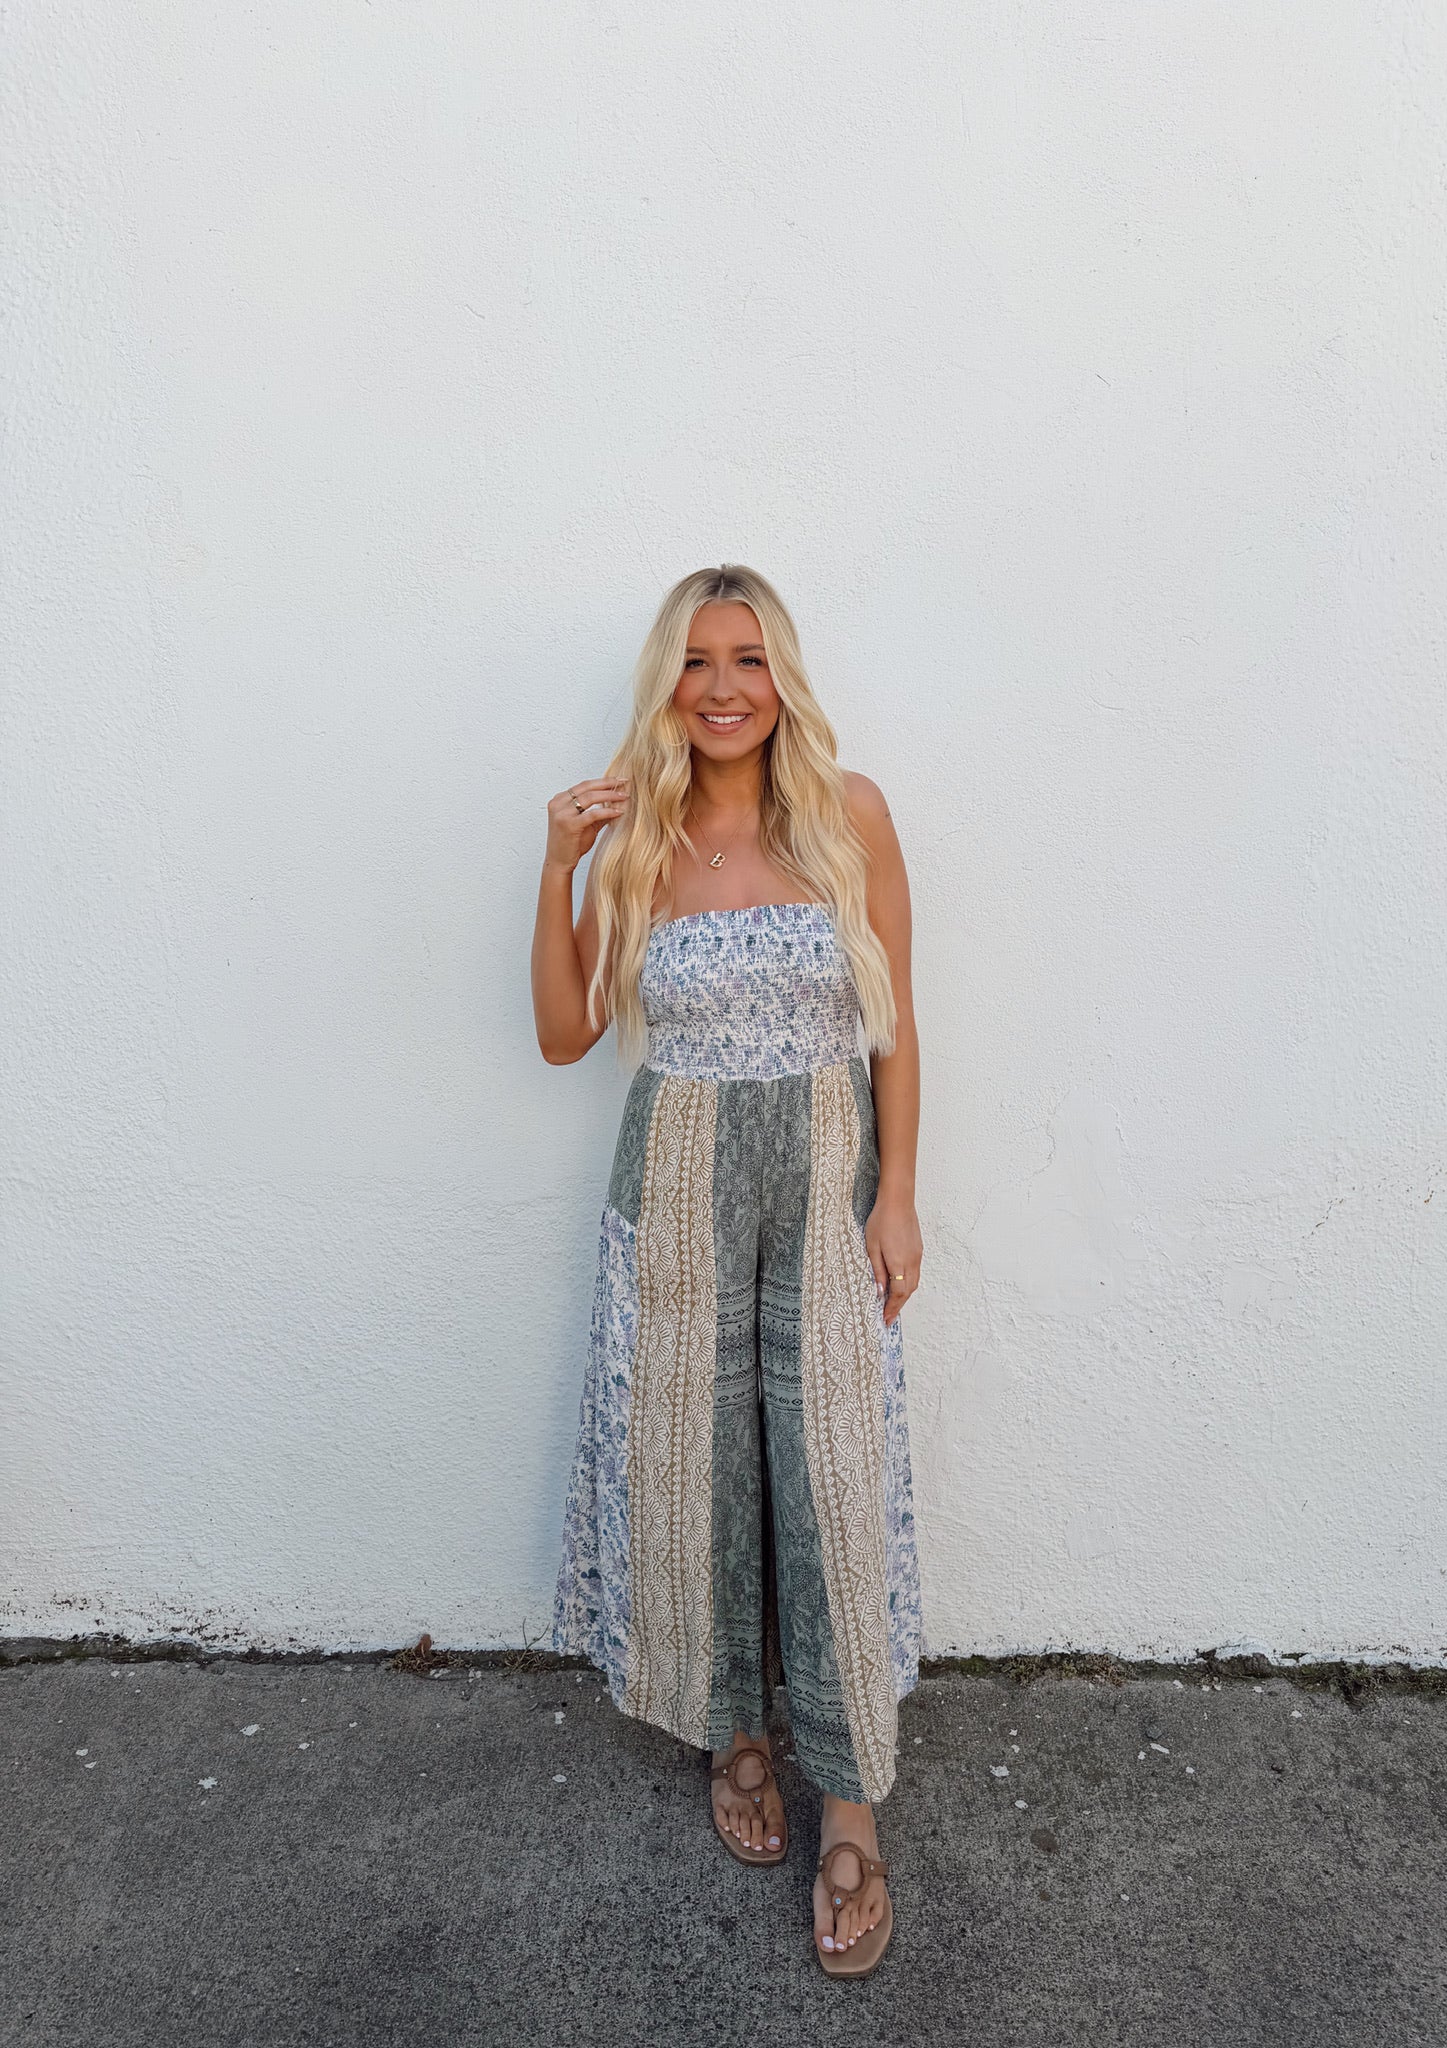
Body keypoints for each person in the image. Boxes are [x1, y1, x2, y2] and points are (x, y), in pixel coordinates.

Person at [532, 564, 923, 1977]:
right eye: (697, 661)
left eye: (748, 658)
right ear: (669, 684)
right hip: (679, 1183)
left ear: (781, 678)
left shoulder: (849, 815)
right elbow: (566, 1035)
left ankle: (852, 1806)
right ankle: (736, 1736)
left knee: (831, 1481)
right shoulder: (639, 842)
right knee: (701, 1476)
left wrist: (900, 1198)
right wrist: (558, 867)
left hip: (826, 1182)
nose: (722, 687)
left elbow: (897, 1028)